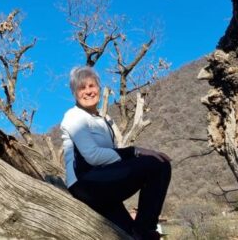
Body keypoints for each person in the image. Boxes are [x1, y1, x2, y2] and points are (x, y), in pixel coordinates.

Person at [60, 66, 171, 240]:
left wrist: (132, 156)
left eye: (92, 86)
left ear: (99, 88)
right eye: (82, 88)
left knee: (129, 235)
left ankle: (142, 232)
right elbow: (93, 156)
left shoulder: (104, 120)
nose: (88, 91)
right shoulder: (73, 117)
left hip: (103, 183)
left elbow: (111, 157)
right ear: (74, 93)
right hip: (85, 184)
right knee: (157, 165)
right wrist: (135, 152)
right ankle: (146, 228)